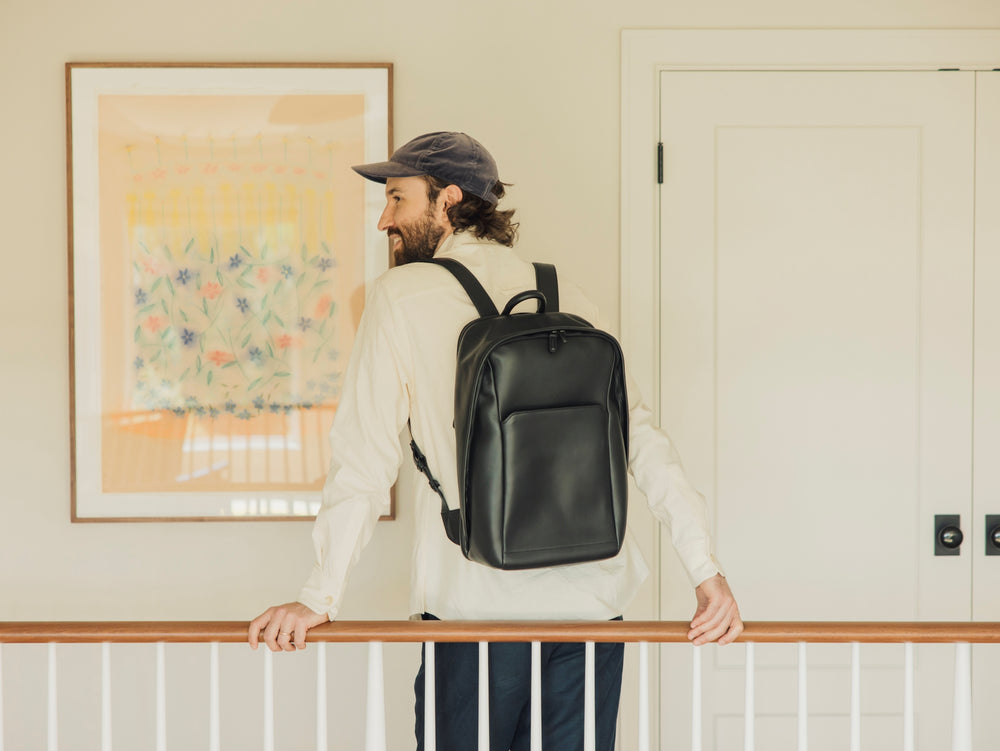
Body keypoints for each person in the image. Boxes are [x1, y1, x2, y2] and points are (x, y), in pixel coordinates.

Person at [248, 131, 743, 750]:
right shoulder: (572, 298)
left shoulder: (400, 298)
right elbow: (641, 441)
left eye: (397, 198)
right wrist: (706, 571)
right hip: (591, 608)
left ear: (447, 198)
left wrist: (318, 595)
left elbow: (364, 461)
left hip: (472, 610)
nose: (384, 219)